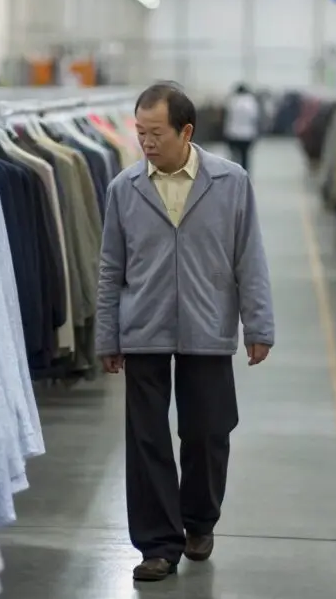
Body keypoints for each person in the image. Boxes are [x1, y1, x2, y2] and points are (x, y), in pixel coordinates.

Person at [95, 82, 276, 582]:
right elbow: (111, 269)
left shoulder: (231, 182)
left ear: (186, 131)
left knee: (207, 431)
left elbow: (250, 258)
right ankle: (157, 543)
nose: (146, 143)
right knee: (147, 438)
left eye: (156, 133)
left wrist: (257, 325)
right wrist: (107, 336)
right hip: (144, 328)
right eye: (140, 133)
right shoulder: (124, 188)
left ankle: (199, 520)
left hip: (208, 325)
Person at [222, 83, 261, 173]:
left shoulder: (232, 101)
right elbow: (255, 118)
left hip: (233, 133)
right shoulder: (252, 102)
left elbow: (227, 118)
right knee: (245, 157)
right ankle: (244, 174)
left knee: (233, 157)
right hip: (247, 134)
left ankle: (233, 174)